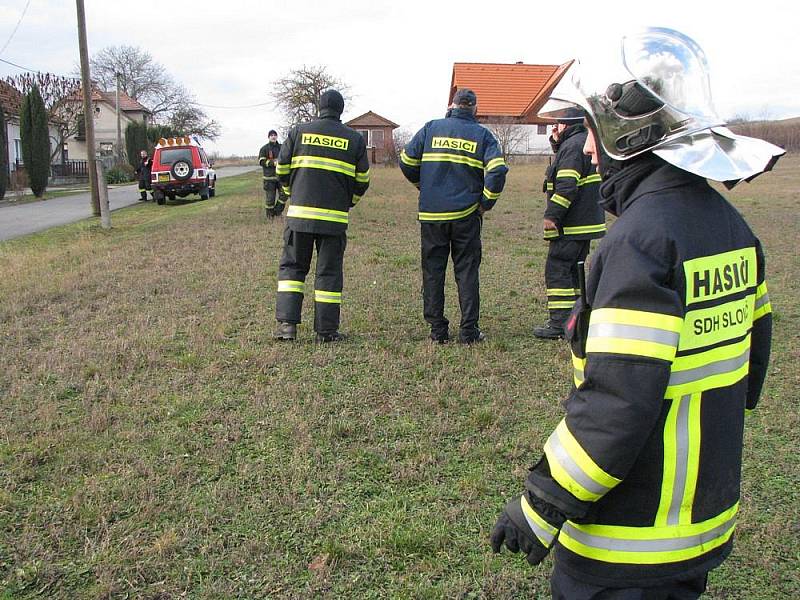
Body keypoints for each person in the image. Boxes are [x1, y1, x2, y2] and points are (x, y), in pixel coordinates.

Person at [490, 28, 783, 599]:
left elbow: (618, 402)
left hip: (630, 537)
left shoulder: (641, 241)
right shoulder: (731, 227)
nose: (589, 150)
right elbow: (754, 360)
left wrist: (543, 502)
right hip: (699, 517)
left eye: (593, 134)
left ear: (627, 135)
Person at [399, 88, 508, 344]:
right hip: (466, 215)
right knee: (467, 271)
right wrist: (485, 203)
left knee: (433, 272)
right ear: (475, 110)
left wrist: (422, 186)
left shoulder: (430, 128)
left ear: (452, 105)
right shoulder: (483, 135)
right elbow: (497, 171)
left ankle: (438, 331)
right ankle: (469, 331)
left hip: (431, 214)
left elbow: (405, 160)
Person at [273, 89, 370, 343]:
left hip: (299, 216)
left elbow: (281, 168)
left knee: (292, 269)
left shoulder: (298, 132)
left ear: (319, 107)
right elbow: (363, 180)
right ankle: (326, 332)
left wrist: (289, 193)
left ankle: (287, 327)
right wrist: (349, 202)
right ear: (341, 110)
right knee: (328, 273)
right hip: (334, 220)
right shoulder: (354, 139)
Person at [533, 109, 605, 339]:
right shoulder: (580, 142)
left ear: (564, 125)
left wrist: (552, 216)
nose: (555, 128)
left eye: (557, 125)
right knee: (574, 272)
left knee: (558, 270)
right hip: (586, 222)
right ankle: (576, 320)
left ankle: (560, 324)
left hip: (572, 223)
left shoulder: (572, 148)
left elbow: (566, 185)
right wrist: (557, 144)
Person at [259, 129, 287, 218]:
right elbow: (261, 161)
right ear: (268, 137)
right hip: (269, 179)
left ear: (277, 136)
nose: (273, 136)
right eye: (271, 135)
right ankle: (270, 216)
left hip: (281, 177)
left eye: (275, 135)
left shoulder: (282, 147)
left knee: (284, 195)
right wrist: (273, 163)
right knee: (270, 199)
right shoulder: (264, 148)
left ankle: (277, 212)